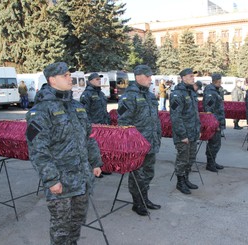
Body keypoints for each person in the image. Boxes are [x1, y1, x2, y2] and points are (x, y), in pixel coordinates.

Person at [25, 62, 102, 244]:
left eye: (70, 75)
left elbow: (88, 137)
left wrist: (95, 162)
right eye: (65, 75)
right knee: (61, 228)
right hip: (61, 181)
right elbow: (37, 149)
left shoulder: (76, 106)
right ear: (52, 79)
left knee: (76, 223)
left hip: (82, 177)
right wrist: (51, 179)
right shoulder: (41, 111)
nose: (70, 78)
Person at [117, 65, 162, 216]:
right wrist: (130, 145)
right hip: (137, 145)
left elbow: (155, 119)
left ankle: (145, 198)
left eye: (150, 76)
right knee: (137, 175)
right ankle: (137, 203)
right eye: (148, 76)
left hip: (151, 142)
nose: (151, 79)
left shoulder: (149, 96)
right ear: (138, 77)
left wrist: (158, 136)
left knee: (148, 173)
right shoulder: (128, 96)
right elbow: (123, 123)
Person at [169, 68, 200, 195]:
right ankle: (180, 182)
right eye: (190, 76)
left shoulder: (191, 92)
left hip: (192, 132)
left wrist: (198, 130)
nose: (193, 78)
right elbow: (176, 117)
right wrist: (182, 135)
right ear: (183, 78)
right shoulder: (177, 94)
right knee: (182, 159)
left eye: (193, 76)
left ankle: (186, 179)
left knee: (191, 158)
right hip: (183, 134)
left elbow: (195, 114)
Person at [80, 72, 111, 177]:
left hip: (103, 125)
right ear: (90, 81)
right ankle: (93, 169)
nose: (99, 81)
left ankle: (103, 167)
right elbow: (84, 112)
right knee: (93, 148)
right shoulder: (86, 94)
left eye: (99, 79)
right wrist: (88, 125)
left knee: (103, 148)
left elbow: (104, 109)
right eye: (97, 79)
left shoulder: (101, 94)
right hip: (93, 126)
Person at [202, 73, 225, 172]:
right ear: (215, 81)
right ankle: (210, 164)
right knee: (213, 143)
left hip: (218, 121)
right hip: (214, 123)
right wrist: (215, 124)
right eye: (219, 81)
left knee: (216, 144)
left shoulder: (215, 91)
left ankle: (213, 161)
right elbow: (209, 111)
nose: (220, 83)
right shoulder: (210, 92)